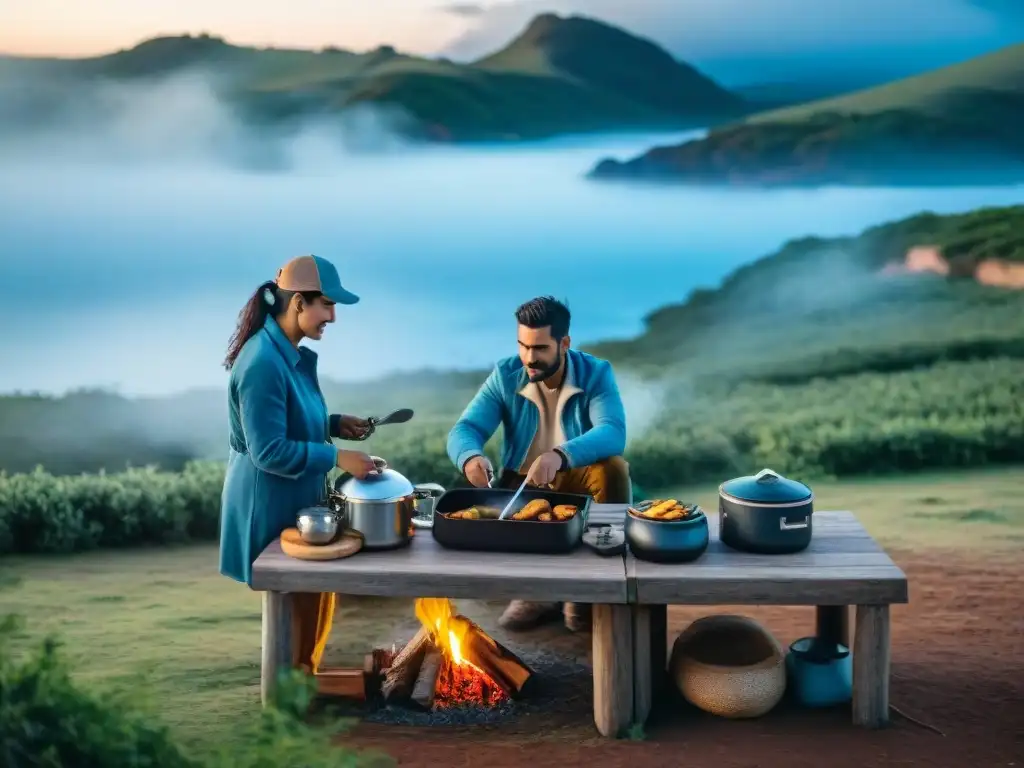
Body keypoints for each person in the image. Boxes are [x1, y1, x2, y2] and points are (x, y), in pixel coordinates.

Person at [219, 254, 377, 674]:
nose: (333, 317)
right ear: (297, 304)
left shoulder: (286, 352)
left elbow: (286, 420)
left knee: (312, 601)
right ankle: (290, 696)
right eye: (327, 304)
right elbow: (268, 450)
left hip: (294, 499)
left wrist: (334, 424)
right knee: (294, 608)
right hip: (270, 504)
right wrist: (337, 456)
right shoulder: (262, 364)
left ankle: (302, 683)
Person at [446, 296, 632, 633]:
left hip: (575, 478)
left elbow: (612, 432)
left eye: (540, 348)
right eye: (523, 346)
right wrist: (469, 456)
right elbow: (466, 429)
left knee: (613, 469)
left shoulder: (596, 373)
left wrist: (559, 455)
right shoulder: (505, 375)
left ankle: (591, 589)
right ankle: (537, 592)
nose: (529, 358)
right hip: (521, 483)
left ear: (564, 343)